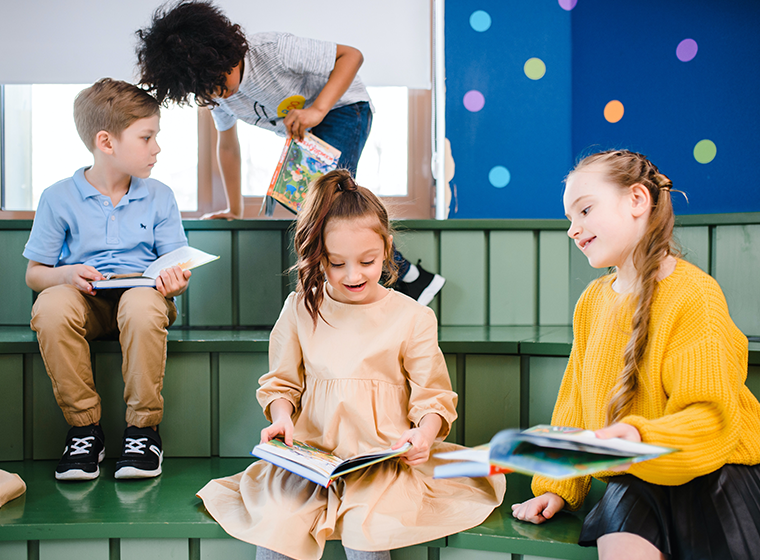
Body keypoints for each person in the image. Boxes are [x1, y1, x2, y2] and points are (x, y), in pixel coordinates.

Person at [196, 169, 504, 560]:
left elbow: (434, 397)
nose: (352, 275)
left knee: (368, 540)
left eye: (367, 260)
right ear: (317, 254)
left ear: (387, 248)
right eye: (336, 263)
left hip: (383, 466)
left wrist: (423, 436)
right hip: (312, 462)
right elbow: (281, 384)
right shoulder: (299, 309)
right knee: (277, 533)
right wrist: (281, 417)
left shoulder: (412, 317)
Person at [511, 150, 760, 560]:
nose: (574, 230)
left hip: (715, 476)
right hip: (636, 479)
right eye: (569, 219)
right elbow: (574, 400)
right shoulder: (592, 302)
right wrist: (558, 486)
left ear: (638, 200)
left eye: (585, 210)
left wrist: (641, 437)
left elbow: (712, 417)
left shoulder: (694, 294)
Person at [134, 0, 445, 305]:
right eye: (207, 90)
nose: (221, 92)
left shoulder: (272, 50)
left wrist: (317, 110)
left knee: (327, 203)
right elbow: (227, 147)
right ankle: (409, 278)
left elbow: (351, 56)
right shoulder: (220, 99)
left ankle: (399, 277)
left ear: (223, 51)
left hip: (344, 109)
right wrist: (234, 207)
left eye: (219, 81)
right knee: (317, 207)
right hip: (312, 133)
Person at [23, 78, 192, 481]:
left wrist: (176, 282)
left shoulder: (160, 195)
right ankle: (85, 430)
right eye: (147, 137)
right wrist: (65, 273)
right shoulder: (58, 197)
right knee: (49, 306)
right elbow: (35, 274)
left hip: (144, 300)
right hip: (88, 302)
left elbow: (178, 265)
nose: (157, 148)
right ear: (107, 142)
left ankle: (142, 431)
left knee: (138, 303)